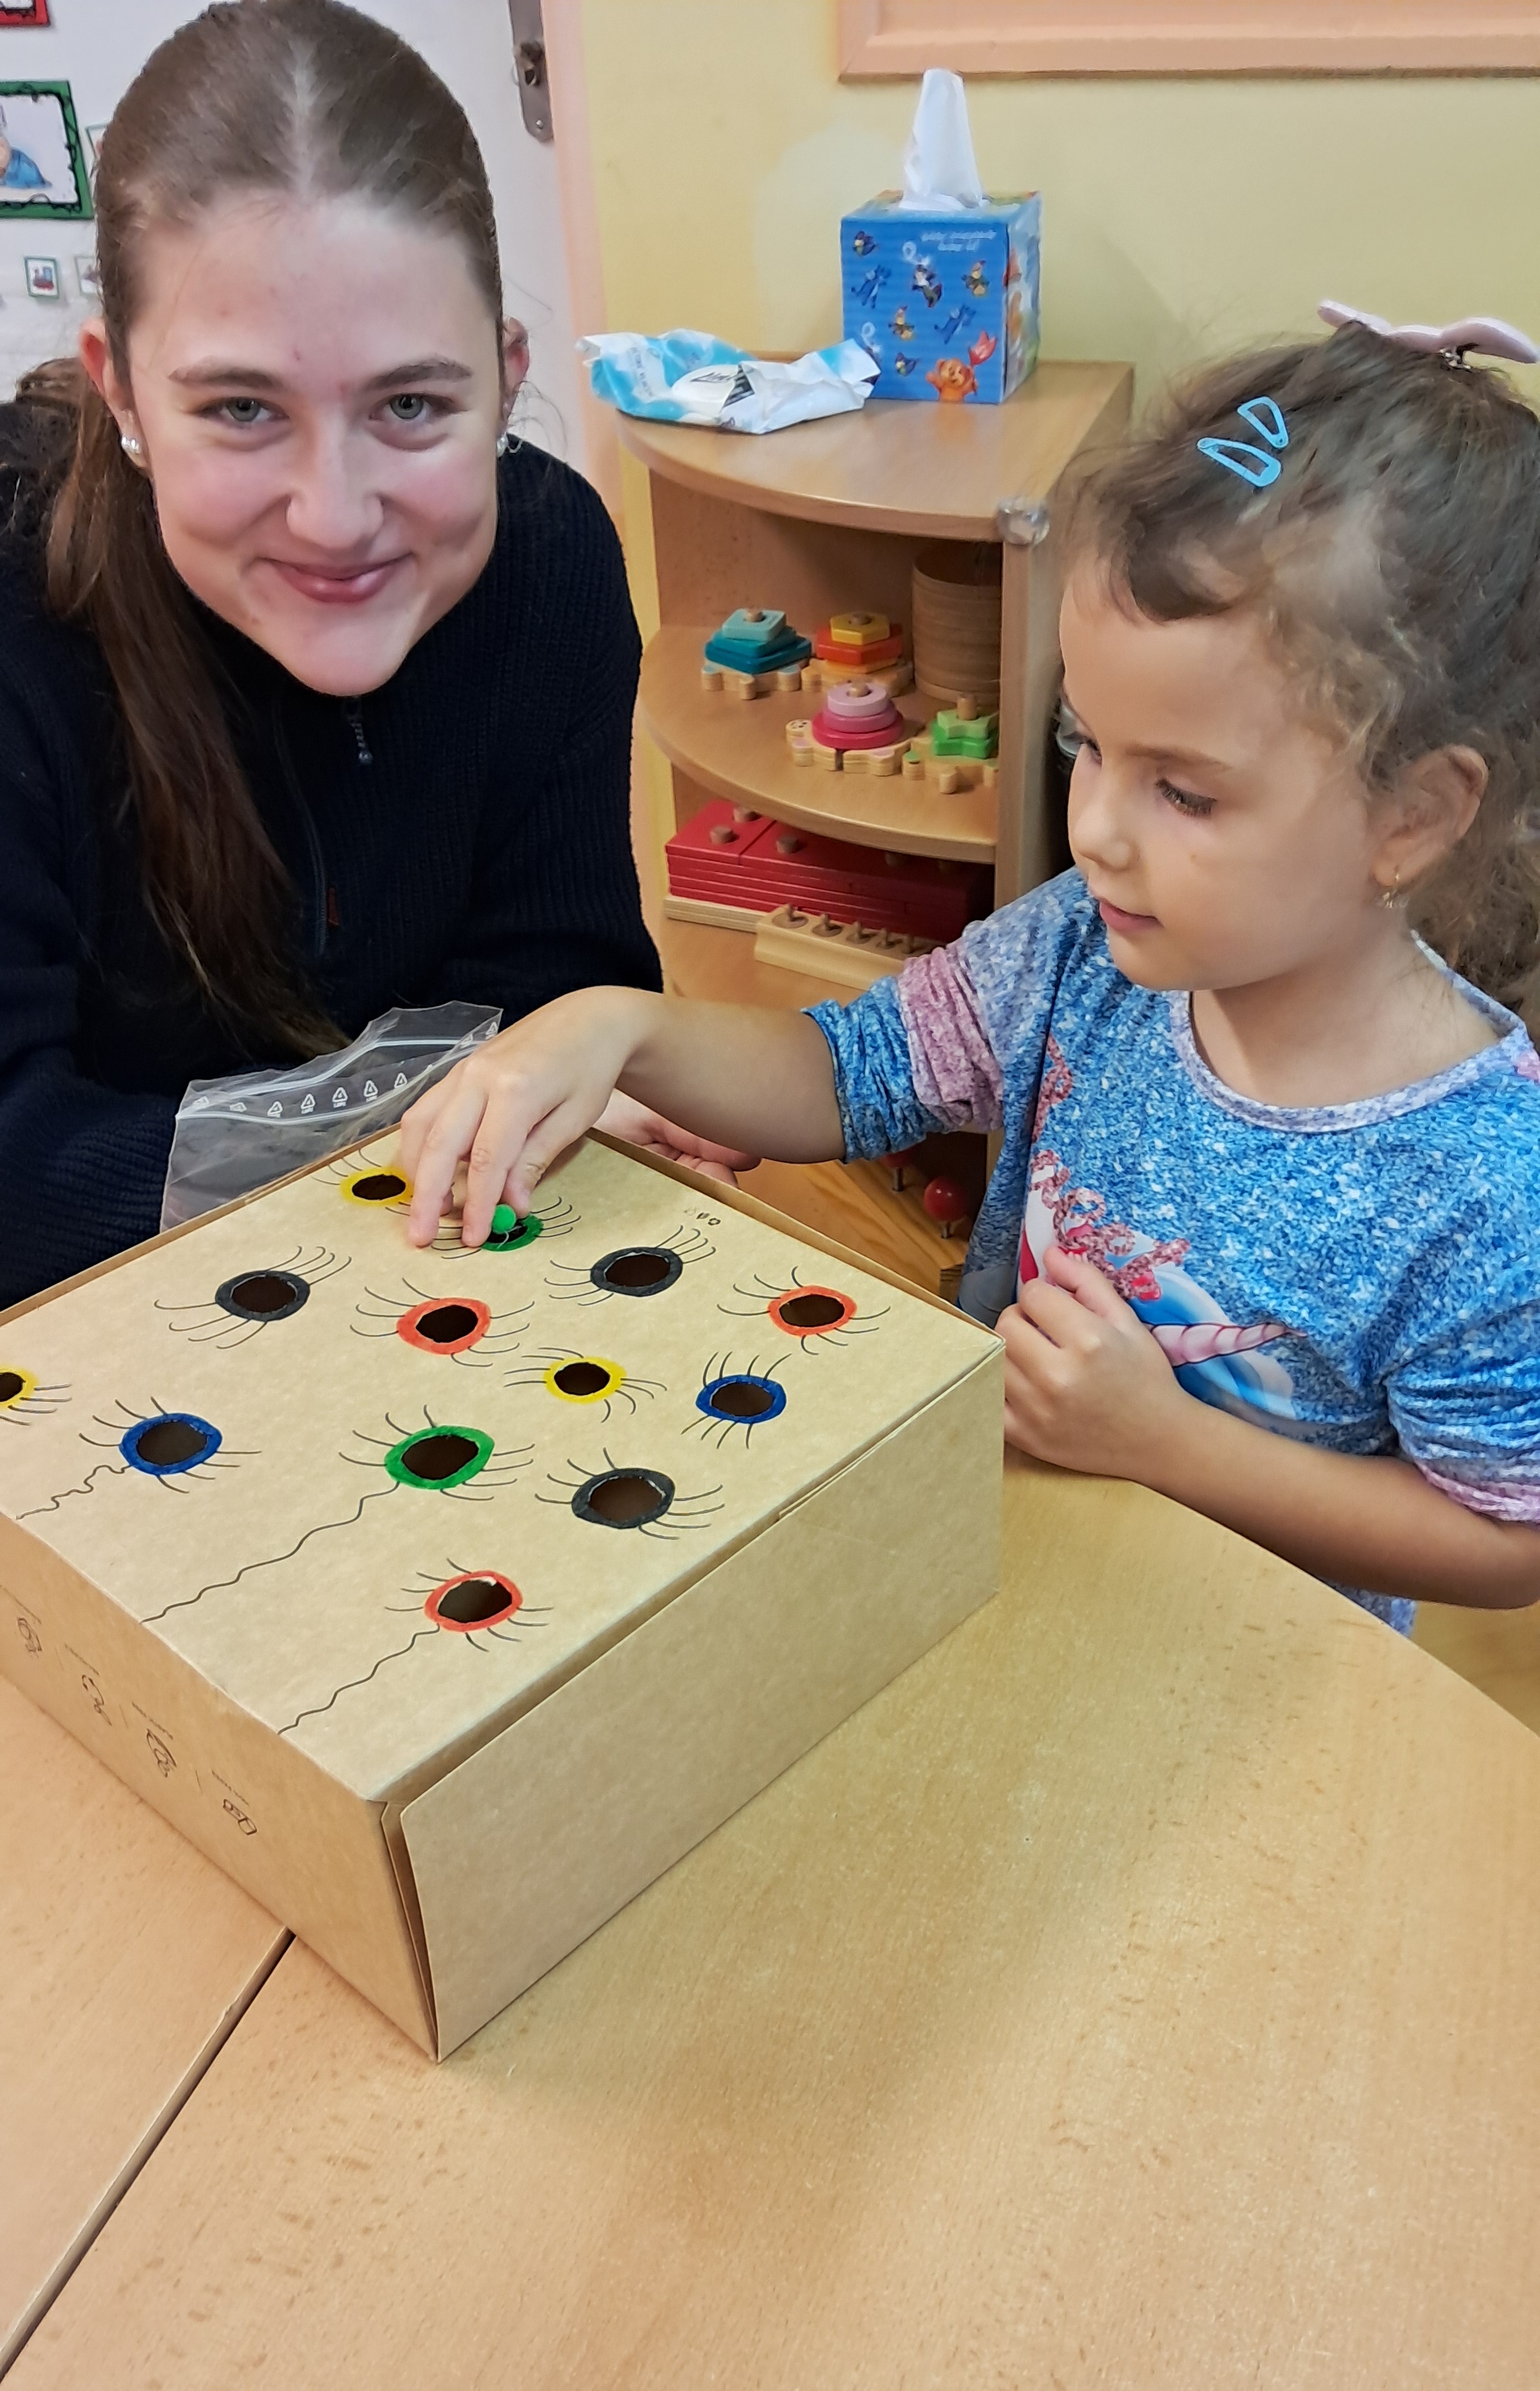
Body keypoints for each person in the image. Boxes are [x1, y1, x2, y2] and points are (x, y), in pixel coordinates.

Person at [398, 313, 1540, 1629]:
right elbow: (846, 1071)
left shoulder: (1486, 1185)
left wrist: (1167, 1444)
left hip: (1239, 1665)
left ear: (1413, 816)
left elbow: (1506, 1540)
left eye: (1183, 791)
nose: (1095, 828)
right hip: (1009, 1577)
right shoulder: (1082, 949)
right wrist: (620, 1029)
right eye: (1087, 744)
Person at [0, 0, 741, 1309]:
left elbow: (555, 990)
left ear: (506, 375)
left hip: (435, 1277)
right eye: (241, 408)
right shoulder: (22, 607)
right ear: (119, 387)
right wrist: (406, 1128)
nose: (334, 519)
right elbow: (20, 1171)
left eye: (410, 404)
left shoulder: (551, 562)